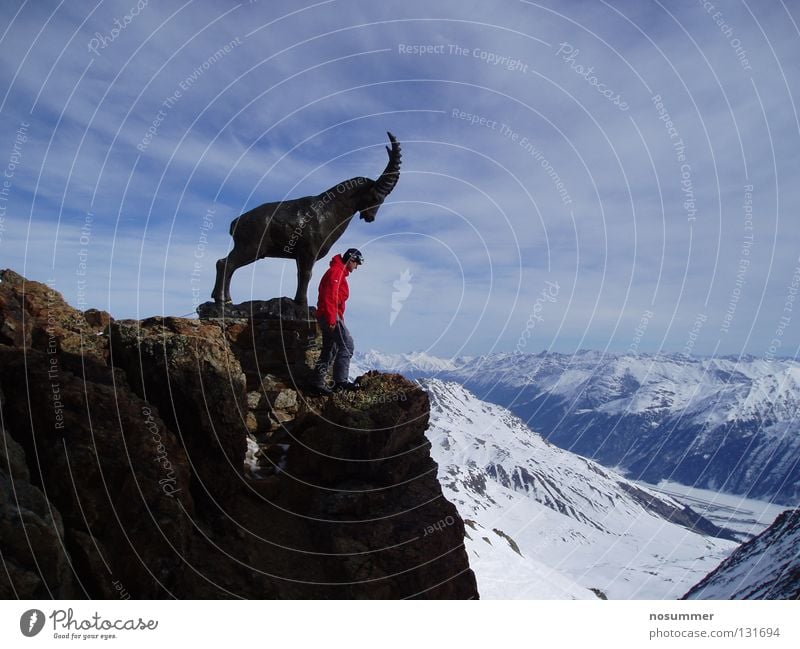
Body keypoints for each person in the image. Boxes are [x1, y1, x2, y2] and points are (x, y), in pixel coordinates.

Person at [310, 248, 364, 394]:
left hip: (327, 315)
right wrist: (333, 319)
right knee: (347, 345)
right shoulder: (336, 272)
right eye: (356, 263)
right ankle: (340, 382)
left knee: (330, 348)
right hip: (329, 315)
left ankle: (318, 383)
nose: (356, 267)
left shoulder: (338, 272)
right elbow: (330, 297)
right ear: (351, 260)